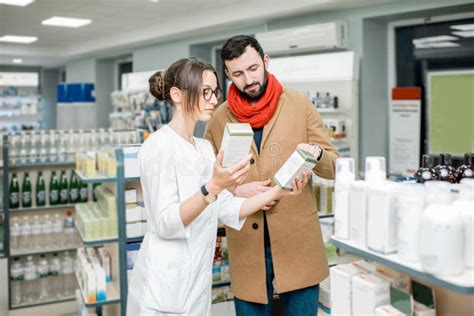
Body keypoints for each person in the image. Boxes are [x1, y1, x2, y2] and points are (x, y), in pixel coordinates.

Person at [126, 58, 313, 316]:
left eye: (215, 91)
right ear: (177, 95)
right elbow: (165, 223)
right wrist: (212, 187)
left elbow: (226, 207)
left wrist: (279, 190)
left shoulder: (203, 149)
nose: (214, 99)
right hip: (164, 289)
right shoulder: (157, 147)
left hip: (196, 287)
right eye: (205, 92)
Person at [204, 36, 339, 315]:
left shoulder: (299, 104)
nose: (248, 79)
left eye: (253, 69)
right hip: (247, 248)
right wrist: (238, 191)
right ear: (228, 76)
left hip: (297, 241)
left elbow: (334, 167)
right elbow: (207, 182)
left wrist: (316, 154)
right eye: (238, 74)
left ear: (265, 62)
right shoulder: (220, 118)